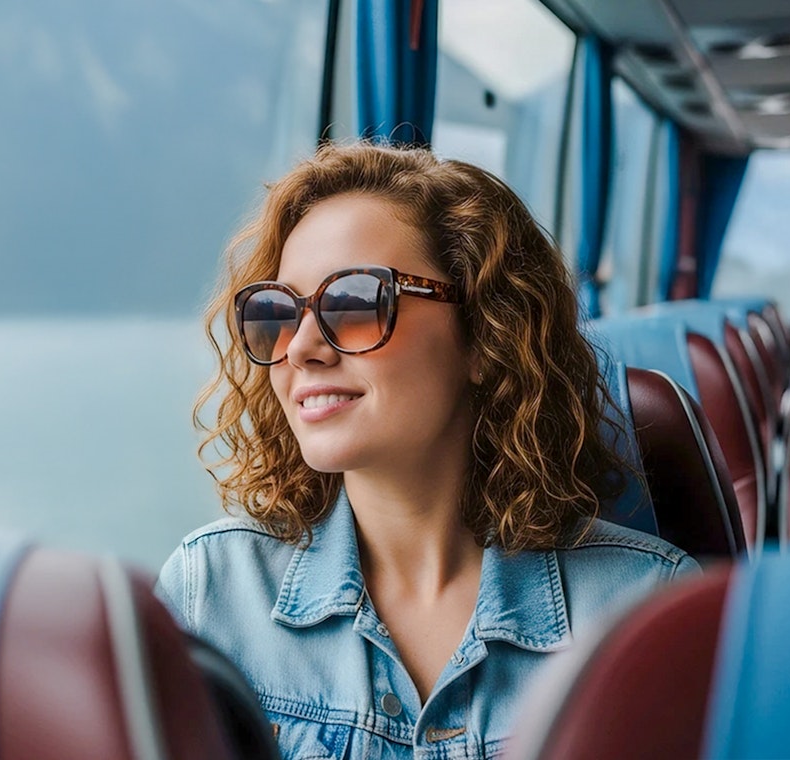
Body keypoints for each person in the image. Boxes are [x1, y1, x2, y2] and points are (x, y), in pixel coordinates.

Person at [155, 141, 698, 759]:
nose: (301, 347)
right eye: (277, 312)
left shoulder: (647, 608)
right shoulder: (211, 594)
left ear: (484, 336)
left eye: (354, 302)